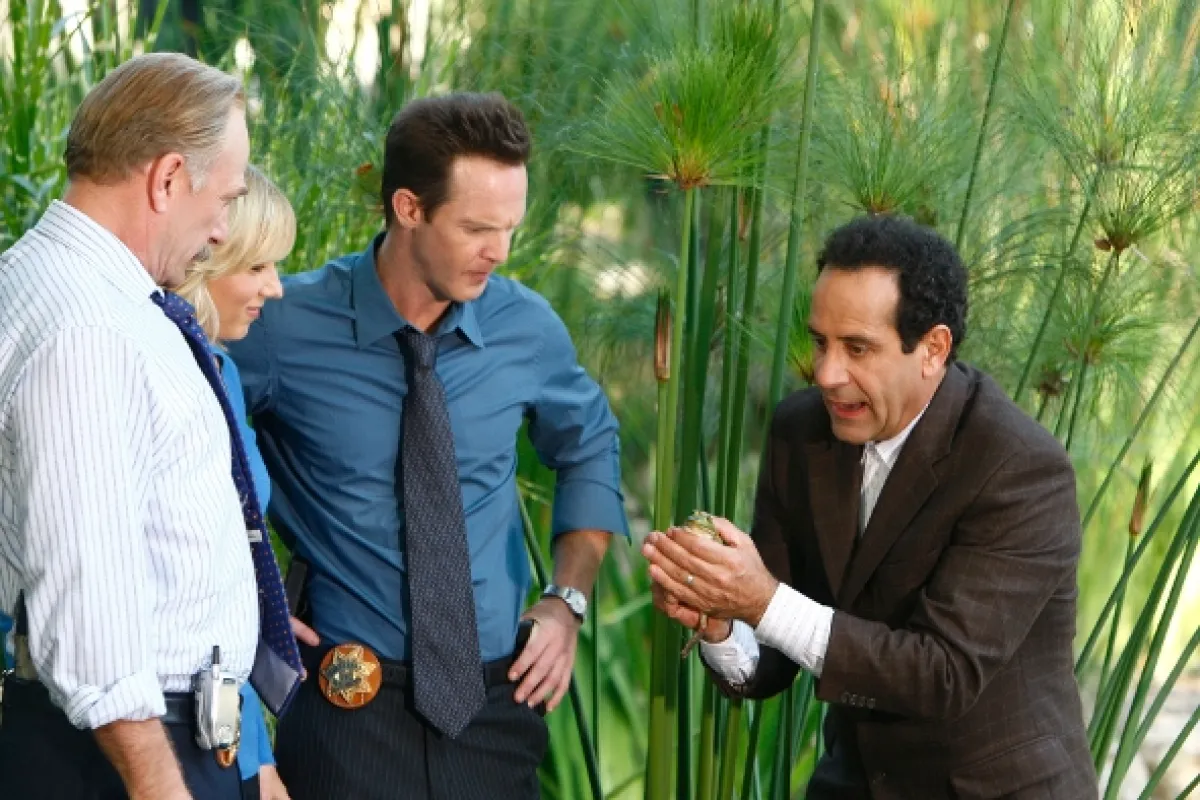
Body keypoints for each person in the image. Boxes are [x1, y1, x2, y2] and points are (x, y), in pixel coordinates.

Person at [225, 91, 627, 800]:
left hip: (496, 709)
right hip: (346, 713)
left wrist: (568, 600)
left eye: (509, 227)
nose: (498, 251)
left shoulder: (525, 328)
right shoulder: (283, 327)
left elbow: (589, 443)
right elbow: (192, 444)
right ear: (408, 208)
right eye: (477, 228)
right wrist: (238, 586)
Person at [643, 215, 1098, 799]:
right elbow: (774, 650)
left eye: (857, 348)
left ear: (933, 348)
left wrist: (762, 600)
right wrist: (721, 622)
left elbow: (942, 675)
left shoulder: (1018, 467)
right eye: (819, 342)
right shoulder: (799, 432)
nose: (828, 374)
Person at [0, 53, 298, 800]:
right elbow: (92, 621)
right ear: (167, 179)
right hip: (130, 759)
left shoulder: (60, 288)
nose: (224, 232)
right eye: (224, 198)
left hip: (151, 744)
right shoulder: (90, 330)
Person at [176, 165, 295, 800]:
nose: (275, 289)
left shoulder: (220, 367)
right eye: (258, 268)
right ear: (206, 260)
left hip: (226, 721)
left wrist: (255, 750)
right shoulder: (172, 368)